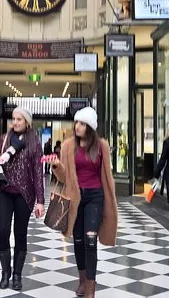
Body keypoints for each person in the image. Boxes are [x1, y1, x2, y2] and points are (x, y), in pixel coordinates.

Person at [48, 107, 118, 298]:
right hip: (75, 198)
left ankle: (90, 289)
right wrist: (57, 166)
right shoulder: (68, 146)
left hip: (95, 196)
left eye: (82, 123)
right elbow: (64, 178)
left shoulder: (102, 146)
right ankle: (82, 281)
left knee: (90, 239)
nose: (77, 126)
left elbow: (107, 174)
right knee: (78, 239)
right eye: (76, 122)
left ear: (90, 127)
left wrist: (110, 199)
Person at [0, 107, 45, 291]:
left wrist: (41, 201)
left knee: (20, 233)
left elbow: (38, 173)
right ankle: (6, 272)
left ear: (27, 122)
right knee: (2, 231)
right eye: (13, 118)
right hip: (4, 191)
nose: (15, 122)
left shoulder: (34, 143)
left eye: (19, 119)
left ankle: (17, 275)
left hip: (25, 194)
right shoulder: (3, 140)